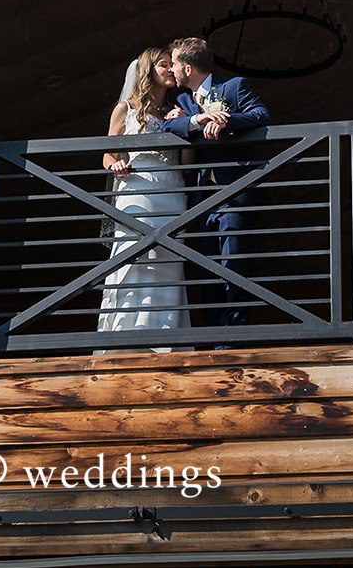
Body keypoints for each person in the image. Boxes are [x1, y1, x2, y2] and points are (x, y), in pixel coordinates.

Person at [163, 37, 270, 333]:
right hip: (203, 199)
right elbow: (165, 126)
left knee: (234, 266)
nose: (171, 70)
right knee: (206, 270)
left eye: (173, 64)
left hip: (234, 193)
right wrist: (197, 120)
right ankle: (213, 338)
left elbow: (261, 115)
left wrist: (226, 120)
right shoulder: (184, 101)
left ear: (187, 68)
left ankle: (234, 340)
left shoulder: (233, 86)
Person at [96, 47, 191, 347]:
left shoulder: (175, 111)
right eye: (163, 65)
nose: (169, 70)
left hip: (172, 192)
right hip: (137, 190)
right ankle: (125, 334)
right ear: (148, 70)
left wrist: (187, 124)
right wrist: (116, 165)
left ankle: (166, 337)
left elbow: (188, 162)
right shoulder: (126, 109)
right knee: (133, 257)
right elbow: (107, 155)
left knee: (168, 260)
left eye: (170, 65)